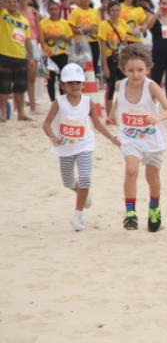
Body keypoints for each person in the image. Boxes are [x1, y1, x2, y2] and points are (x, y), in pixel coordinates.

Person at [41, 63, 120, 231]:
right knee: (68, 182)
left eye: (78, 82)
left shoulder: (88, 102)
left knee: (85, 178)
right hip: (65, 148)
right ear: (63, 85)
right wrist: (53, 137)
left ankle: (77, 215)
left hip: (85, 145)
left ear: (83, 84)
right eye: (70, 83)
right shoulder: (59, 102)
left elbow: (97, 124)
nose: (75, 86)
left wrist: (112, 138)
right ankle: (82, 192)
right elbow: (46, 124)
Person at [112, 44, 167, 231]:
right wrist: (112, 115)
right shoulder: (120, 85)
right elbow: (119, 102)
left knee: (152, 177)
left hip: (152, 139)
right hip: (130, 137)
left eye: (140, 70)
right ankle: (130, 212)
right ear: (123, 70)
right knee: (131, 170)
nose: (135, 74)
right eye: (130, 70)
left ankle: (154, 207)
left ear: (148, 69)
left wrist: (157, 118)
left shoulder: (151, 86)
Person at [0, 0, 34, 122]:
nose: (12, 4)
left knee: (20, 87)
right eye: (10, 2)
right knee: (4, 87)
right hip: (4, 55)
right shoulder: (3, 14)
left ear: (19, 3)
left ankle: (21, 114)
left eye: (15, 1)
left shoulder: (24, 20)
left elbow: (28, 40)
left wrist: (30, 57)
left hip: (20, 57)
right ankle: (3, 114)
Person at [97, 0, 128, 119]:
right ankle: (110, 116)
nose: (115, 12)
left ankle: (121, 112)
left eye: (117, 10)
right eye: (113, 10)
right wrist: (104, 66)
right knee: (111, 87)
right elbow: (102, 47)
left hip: (121, 58)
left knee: (124, 86)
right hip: (109, 58)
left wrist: (127, 61)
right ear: (108, 12)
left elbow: (125, 43)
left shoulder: (123, 24)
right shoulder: (104, 25)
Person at [40, 0, 73, 102]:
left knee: (63, 78)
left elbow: (70, 41)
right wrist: (49, 36)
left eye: (55, 9)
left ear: (59, 10)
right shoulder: (42, 23)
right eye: (51, 9)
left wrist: (63, 38)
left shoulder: (64, 23)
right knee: (50, 79)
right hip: (47, 55)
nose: (53, 11)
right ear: (48, 11)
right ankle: (53, 101)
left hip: (62, 54)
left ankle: (63, 100)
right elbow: (39, 39)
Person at [68, 0, 102, 82]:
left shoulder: (94, 12)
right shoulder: (75, 12)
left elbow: (99, 27)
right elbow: (70, 29)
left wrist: (93, 29)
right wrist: (83, 30)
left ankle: (91, 83)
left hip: (94, 42)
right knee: (81, 65)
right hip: (80, 43)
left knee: (93, 65)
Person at [18, 0, 42, 113]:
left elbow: (39, 30)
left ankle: (33, 107)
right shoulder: (13, 11)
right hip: (18, 43)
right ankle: (18, 107)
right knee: (18, 77)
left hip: (32, 43)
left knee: (32, 78)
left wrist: (43, 47)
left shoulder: (33, 11)